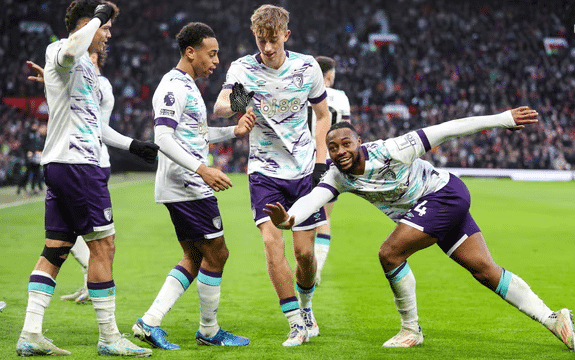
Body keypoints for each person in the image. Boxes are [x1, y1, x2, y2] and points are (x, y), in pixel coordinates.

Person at [264, 107, 575, 350]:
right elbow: (314, 198)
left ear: (360, 142)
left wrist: (502, 119)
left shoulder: (392, 150)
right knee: (484, 270)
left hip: (444, 195)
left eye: (347, 143)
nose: (341, 151)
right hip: (431, 209)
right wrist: (289, 219)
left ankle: (410, 329)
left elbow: (448, 129)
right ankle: (553, 319)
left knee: (390, 254)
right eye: (333, 147)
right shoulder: (337, 176)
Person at [16, 1, 158, 356]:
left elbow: (94, 126)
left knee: (56, 248)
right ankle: (110, 338)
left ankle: (31, 333)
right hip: (78, 166)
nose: (108, 35)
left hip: (70, 164)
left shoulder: (91, 73)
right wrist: (98, 16)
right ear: (88, 26)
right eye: (105, 29)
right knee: (104, 246)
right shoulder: (60, 51)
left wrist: (134, 144)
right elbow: (69, 50)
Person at [131, 22, 255, 350]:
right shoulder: (173, 87)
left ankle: (150, 322)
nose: (215, 61)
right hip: (187, 183)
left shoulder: (187, 86)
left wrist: (232, 132)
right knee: (218, 252)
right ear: (190, 52)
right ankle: (209, 330)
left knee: (195, 255)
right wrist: (203, 169)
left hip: (185, 181)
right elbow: (163, 138)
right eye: (211, 54)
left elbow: (195, 135)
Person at [213, 4, 332, 347]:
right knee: (270, 241)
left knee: (305, 255)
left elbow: (322, 116)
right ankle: (295, 322)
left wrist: (321, 163)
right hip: (265, 170)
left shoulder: (306, 67)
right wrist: (241, 106)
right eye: (262, 40)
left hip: (304, 170)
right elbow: (221, 106)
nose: (267, 48)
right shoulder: (244, 69)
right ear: (256, 36)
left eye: (274, 40)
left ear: (286, 36)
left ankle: (307, 307)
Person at [307, 56, 351, 285]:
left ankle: (305, 265)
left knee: (301, 217)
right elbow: (346, 133)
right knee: (324, 216)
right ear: (329, 75)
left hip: (302, 160)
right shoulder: (340, 97)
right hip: (329, 162)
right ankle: (316, 270)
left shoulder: (303, 91)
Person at [16, 121, 44, 195]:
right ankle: (20, 187)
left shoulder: (37, 134)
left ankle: (33, 188)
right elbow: (23, 145)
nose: (35, 127)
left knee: (36, 172)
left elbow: (38, 144)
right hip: (28, 157)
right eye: (34, 125)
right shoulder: (27, 134)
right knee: (27, 173)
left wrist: (37, 150)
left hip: (35, 157)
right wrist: (30, 151)